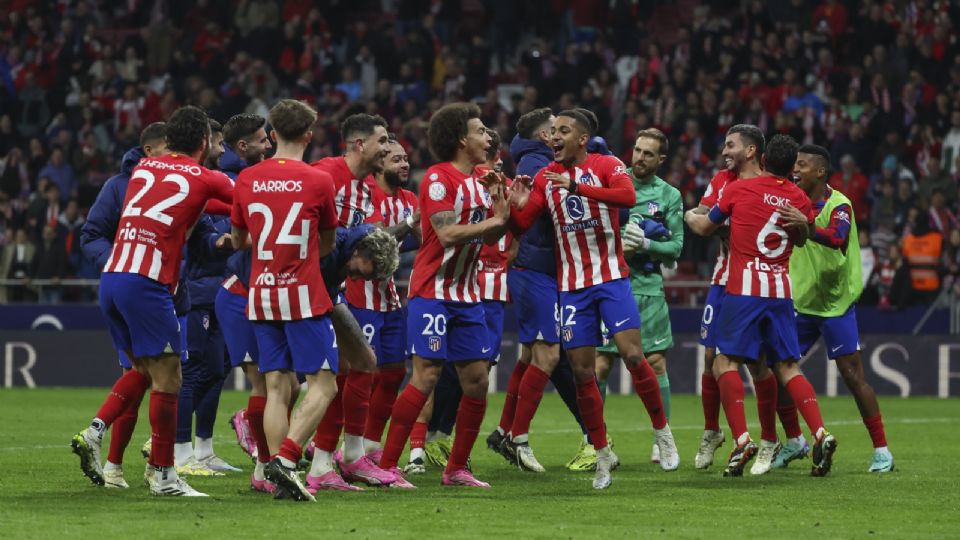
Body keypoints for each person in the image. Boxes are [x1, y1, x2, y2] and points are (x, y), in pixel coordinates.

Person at [506, 109, 679, 489]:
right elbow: (522, 224)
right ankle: (601, 454)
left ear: (582, 139)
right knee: (584, 372)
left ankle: (662, 431)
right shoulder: (544, 179)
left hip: (611, 279)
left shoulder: (606, 164)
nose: (554, 136)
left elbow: (626, 195)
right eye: (552, 132)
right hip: (571, 287)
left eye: (563, 131)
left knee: (634, 356)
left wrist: (575, 187)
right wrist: (511, 206)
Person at [72, 106, 233, 496]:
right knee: (170, 377)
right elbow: (240, 199)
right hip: (147, 282)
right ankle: (164, 475)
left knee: (144, 369)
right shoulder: (205, 176)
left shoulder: (144, 169)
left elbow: (187, 201)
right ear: (203, 142)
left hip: (113, 277)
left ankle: (96, 432)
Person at [685, 134, 838, 478]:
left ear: (763, 158)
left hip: (744, 288)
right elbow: (801, 239)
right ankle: (819, 433)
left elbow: (707, 225)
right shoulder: (798, 196)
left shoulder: (739, 189)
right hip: (781, 289)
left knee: (724, 362)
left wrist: (687, 216)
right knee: (787, 366)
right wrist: (804, 226)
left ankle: (741, 440)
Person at [376, 102, 510, 488]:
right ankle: (387, 466)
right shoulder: (438, 178)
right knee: (427, 375)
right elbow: (447, 234)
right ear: (461, 139)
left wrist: (502, 210)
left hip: (468, 294)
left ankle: (457, 468)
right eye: (481, 130)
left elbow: (494, 235)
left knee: (477, 381)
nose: (488, 137)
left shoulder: (484, 179)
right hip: (432, 291)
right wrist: (496, 220)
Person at [229, 98, 342, 502]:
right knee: (324, 385)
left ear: (272, 135)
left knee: (277, 385)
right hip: (303, 293)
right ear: (308, 136)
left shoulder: (246, 179)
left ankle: (279, 470)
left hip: (261, 293)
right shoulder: (318, 181)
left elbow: (240, 240)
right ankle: (289, 460)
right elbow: (327, 243)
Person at [490, 107, 595, 473]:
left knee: (529, 355)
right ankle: (518, 438)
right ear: (542, 136)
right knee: (549, 356)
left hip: (537, 269)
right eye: (554, 129)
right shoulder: (539, 166)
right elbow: (544, 215)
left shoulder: (534, 161)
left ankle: (505, 429)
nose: (559, 134)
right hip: (537, 270)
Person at [780, 144, 893, 473]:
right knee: (778, 369)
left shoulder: (839, 203)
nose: (795, 169)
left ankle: (882, 450)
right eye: (793, 164)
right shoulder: (791, 200)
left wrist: (806, 225)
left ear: (820, 171)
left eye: (801, 164)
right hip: (801, 302)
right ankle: (795, 440)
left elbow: (838, 238)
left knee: (852, 376)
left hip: (835, 304)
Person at [76, 122, 168, 488]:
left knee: (149, 375)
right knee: (150, 373)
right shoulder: (118, 187)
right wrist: (121, 260)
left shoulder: (174, 182)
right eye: (166, 150)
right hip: (134, 286)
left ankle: (118, 464)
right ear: (149, 151)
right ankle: (131, 463)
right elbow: (90, 235)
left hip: (162, 286)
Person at [308, 113, 397, 489]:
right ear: (360, 144)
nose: (388, 148)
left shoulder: (369, 190)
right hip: (303, 286)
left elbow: (371, 242)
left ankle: (343, 459)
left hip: (331, 290)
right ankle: (301, 463)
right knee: (284, 380)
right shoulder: (324, 174)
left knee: (361, 362)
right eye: (383, 140)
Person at [688, 124, 783, 474]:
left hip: (757, 283)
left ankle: (769, 439)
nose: (724, 151)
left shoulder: (771, 183)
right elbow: (703, 215)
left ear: (752, 150)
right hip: (723, 278)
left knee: (757, 362)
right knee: (711, 356)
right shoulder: (722, 180)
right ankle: (713, 432)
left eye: (731, 145)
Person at [594, 128, 683, 466]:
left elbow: (676, 247)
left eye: (649, 153)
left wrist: (645, 244)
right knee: (601, 365)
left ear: (661, 159)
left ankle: (662, 441)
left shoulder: (670, 195)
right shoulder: (614, 184)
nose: (640, 158)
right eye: (637, 150)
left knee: (656, 363)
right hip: (611, 284)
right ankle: (596, 442)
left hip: (648, 288)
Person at [355, 137, 421, 467]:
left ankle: (369, 446)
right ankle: (321, 441)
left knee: (394, 372)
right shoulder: (367, 192)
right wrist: (411, 223)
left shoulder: (409, 198)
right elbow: (377, 238)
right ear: (380, 164)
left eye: (406, 159)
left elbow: (423, 239)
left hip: (390, 298)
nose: (405, 165)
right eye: (396, 160)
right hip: (360, 296)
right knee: (357, 375)